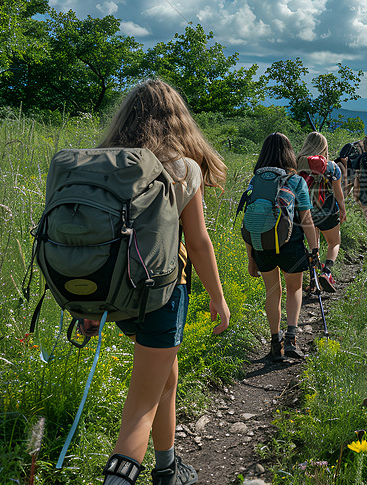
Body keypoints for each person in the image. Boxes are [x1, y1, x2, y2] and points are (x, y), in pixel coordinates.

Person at [80, 80, 230, 485]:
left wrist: (89, 306)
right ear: (178, 120)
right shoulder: (182, 168)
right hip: (162, 296)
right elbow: (197, 243)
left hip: (114, 295)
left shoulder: (104, 162)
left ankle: (167, 466)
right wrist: (218, 298)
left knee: (166, 376)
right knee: (140, 407)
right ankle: (122, 476)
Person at [244, 132, 320, 361]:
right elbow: (306, 220)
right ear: (289, 154)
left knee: (272, 292)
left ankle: (274, 343)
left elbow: (250, 222)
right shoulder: (295, 181)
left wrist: (251, 258)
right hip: (291, 245)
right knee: (294, 289)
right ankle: (292, 339)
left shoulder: (254, 181)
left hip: (262, 245)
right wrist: (315, 250)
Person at [296, 132, 347, 293]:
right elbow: (338, 193)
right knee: (334, 242)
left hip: (305, 212)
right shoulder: (333, 167)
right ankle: (326, 272)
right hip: (328, 211)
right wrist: (343, 210)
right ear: (324, 147)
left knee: (313, 245)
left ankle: (312, 280)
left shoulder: (296, 164)